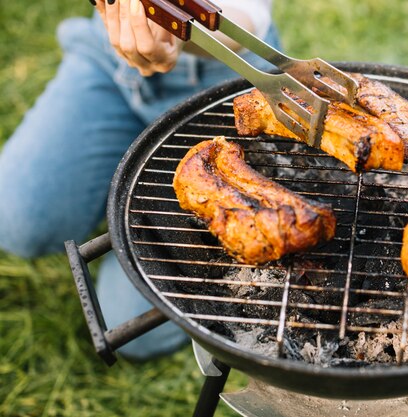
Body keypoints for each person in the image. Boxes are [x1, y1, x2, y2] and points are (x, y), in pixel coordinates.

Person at [0, 0, 279, 360]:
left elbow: (248, 14)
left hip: (222, 68)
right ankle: (125, 176)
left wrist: (178, 32)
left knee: (134, 331)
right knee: (16, 224)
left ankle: (136, 188)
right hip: (108, 57)